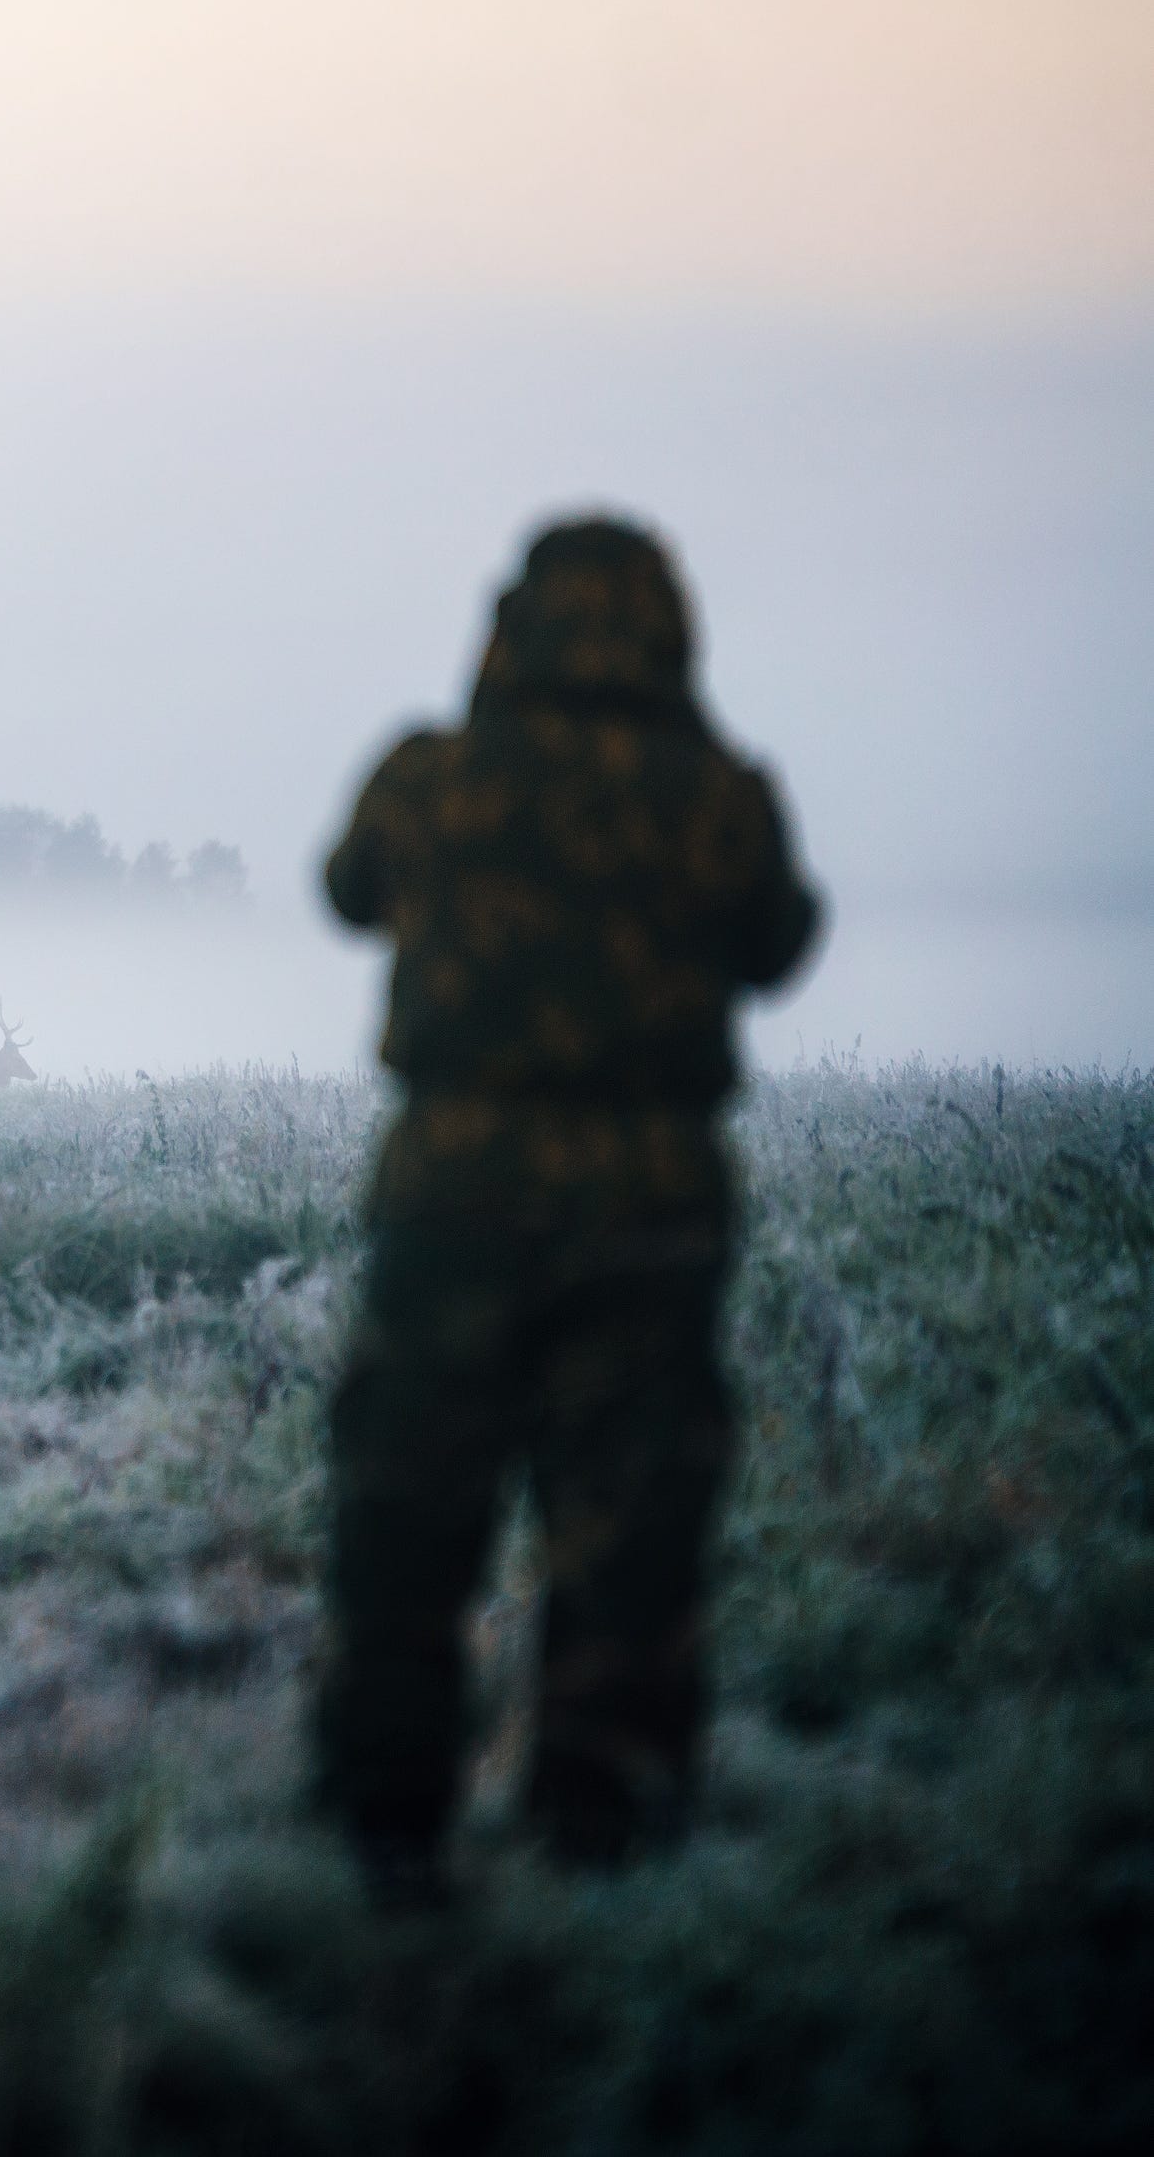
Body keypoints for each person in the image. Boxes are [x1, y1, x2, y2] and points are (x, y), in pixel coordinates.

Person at [314, 514, 820, 1898]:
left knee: (409, 1507)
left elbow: (347, 889)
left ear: (512, 622)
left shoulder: (434, 778)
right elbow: (782, 943)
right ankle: (601, 1832)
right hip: (651, 1205)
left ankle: (387, 1825)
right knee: (632, 1524)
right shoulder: (719, 798)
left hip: (452, 1195)